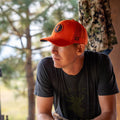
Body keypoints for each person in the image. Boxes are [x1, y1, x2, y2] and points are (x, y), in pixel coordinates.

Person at [34, 19, 119, 120]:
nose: (53, 51)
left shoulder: (101, 63)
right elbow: (42, 113)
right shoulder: (46, 66)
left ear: (79, 49)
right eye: (52, 44)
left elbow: (109, 113)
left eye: (60, 45)